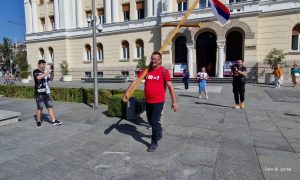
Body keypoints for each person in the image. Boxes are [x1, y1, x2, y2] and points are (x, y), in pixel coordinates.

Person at [124, 51, 178, 152]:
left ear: (160, 61)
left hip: (159, 101)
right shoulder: (146, 70)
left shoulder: (164, 71)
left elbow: (170, 86)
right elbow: (136, 81)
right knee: (150, 120)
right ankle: (159, 130)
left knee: (154, 121)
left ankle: (154, 142)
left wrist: (174, 102)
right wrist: (128, 91)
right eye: (152, 59)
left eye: (155, 59)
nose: (153, 61)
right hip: (148, 101)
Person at [33, 60, 62, 127]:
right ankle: (38, 121)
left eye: (45, 64)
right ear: (39, 64)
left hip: (46, 92)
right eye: (43, 64)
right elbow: (38, 78)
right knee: (40, 108)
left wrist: (52, 73)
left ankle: (54, 121)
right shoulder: (36, 71)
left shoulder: (45, 72)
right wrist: (47, 72)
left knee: (50, 107)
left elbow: (51, 79)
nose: (44, 66)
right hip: (39, 93)